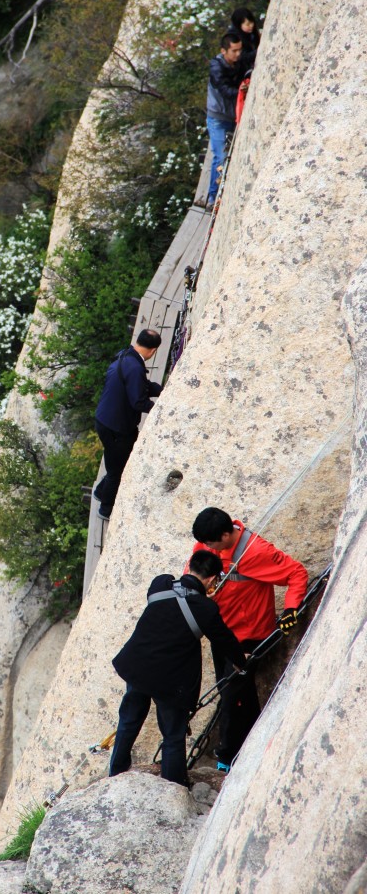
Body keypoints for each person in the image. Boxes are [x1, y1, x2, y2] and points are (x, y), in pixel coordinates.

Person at [109, 550, 247, 785]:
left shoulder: (160, 584)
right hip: (170, 681)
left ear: (188, 567)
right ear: (213, 580)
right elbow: (225, 641)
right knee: (173, 735)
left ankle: (115, 774)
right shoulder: (205, 609)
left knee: (128, 721)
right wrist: (241, 661)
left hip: (138, 667)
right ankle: (173, 787)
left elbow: (168, 610)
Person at [191, 507, 308, 771]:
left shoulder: (256, 552)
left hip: (247, 636)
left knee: (232, 695)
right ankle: (254, 742)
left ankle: (227, 758)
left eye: (210, 543)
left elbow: (296, 573)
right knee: (234, 691)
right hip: (221, 631)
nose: (205, 547)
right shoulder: (207, 542)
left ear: (225, 534)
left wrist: (291, 608)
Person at [94, 329, 163, 520]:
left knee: (113, 459)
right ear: (153, 350)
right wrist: (161, 409)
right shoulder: (135, 367)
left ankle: (100, 491)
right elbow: (138, 402)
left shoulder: (126, 356)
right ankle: (106, 509)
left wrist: (160, 390)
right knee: (118, 468)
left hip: (105, 419)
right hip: (117, 426)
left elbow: (138, 385)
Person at [206, 32, 246, 208]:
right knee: (220, 156)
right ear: (224, 51)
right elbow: (224, 90)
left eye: (240, 50)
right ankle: (212, 198)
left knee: (229, 155)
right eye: (234, 51)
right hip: (218, 118)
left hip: (233, 116)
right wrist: (242, 90)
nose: (238, 54)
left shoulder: (239, 64)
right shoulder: (217, 68)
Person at [228, 6, 260, 71]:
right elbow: (243, 57)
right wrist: (259, 51)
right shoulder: (234, 38)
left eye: (252, 22)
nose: (251, 26)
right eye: (247, 24)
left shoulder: (251, 32)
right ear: (239, 25)